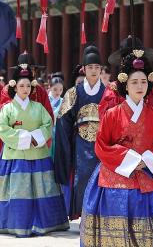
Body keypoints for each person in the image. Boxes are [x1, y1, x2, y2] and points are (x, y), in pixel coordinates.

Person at [81, 49, 153, 246]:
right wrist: (132, 160)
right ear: (125, 86)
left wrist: (146, 160)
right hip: (118, 177)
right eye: (134, 82)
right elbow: (102, 145)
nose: (139, 86)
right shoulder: (112, 114)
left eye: (143, 82)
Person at [0, 64, 69, 237]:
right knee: (17, 191)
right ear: (14, 87)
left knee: (42, 189)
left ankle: (43, 223)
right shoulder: (7, 108)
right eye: (21, 86)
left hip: (38, 154)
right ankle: (16, 223)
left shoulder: (38, 107)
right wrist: (25, 138)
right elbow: (2, 129)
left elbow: (48, 124)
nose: (25, 89)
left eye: (27, 86)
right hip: (15, 156)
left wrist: (37, 137)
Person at [54, 45, 105, 219]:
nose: (94, 71)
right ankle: (84, 215)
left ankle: (100, 213)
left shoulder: (108, 93)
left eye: (97, 67)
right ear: (84, 69)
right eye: (90, 67)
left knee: (101, 178)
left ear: (101, 69)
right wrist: (67, 146)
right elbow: (63, 123)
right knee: (82, 177)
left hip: (102, 143)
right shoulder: (74, 92)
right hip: (81, 144)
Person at [48, 75, 64, 158]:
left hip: (59, 132)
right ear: (49, 87)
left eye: (61, 89)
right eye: (55, 89)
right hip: (46, 132)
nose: (58, 92)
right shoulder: (45, 100)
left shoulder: (64, 101)